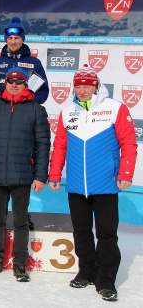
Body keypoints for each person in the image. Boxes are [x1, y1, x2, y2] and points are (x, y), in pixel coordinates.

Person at [48, 65, 137, 302]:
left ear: (96, 86)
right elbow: (60, 146)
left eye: (87, 85)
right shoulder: (68, 112)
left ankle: (106, 280)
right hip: (76, 185)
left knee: (107, 235)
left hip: (106, 185)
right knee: (82, 232)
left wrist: (126, 173)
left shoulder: (114, 108)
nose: (83, 90)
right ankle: (86, 271)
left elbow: (129, 143)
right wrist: (55, 174)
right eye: (78, 86)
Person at [0, 67, 50, 282]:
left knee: (20, 221)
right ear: (5, 83)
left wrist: (40, 176)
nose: (15, 85)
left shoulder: (36, 109)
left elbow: (43, 145)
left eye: (19, 82)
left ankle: (20, 264)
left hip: (23, 175)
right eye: (11, 81)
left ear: (25, 84)